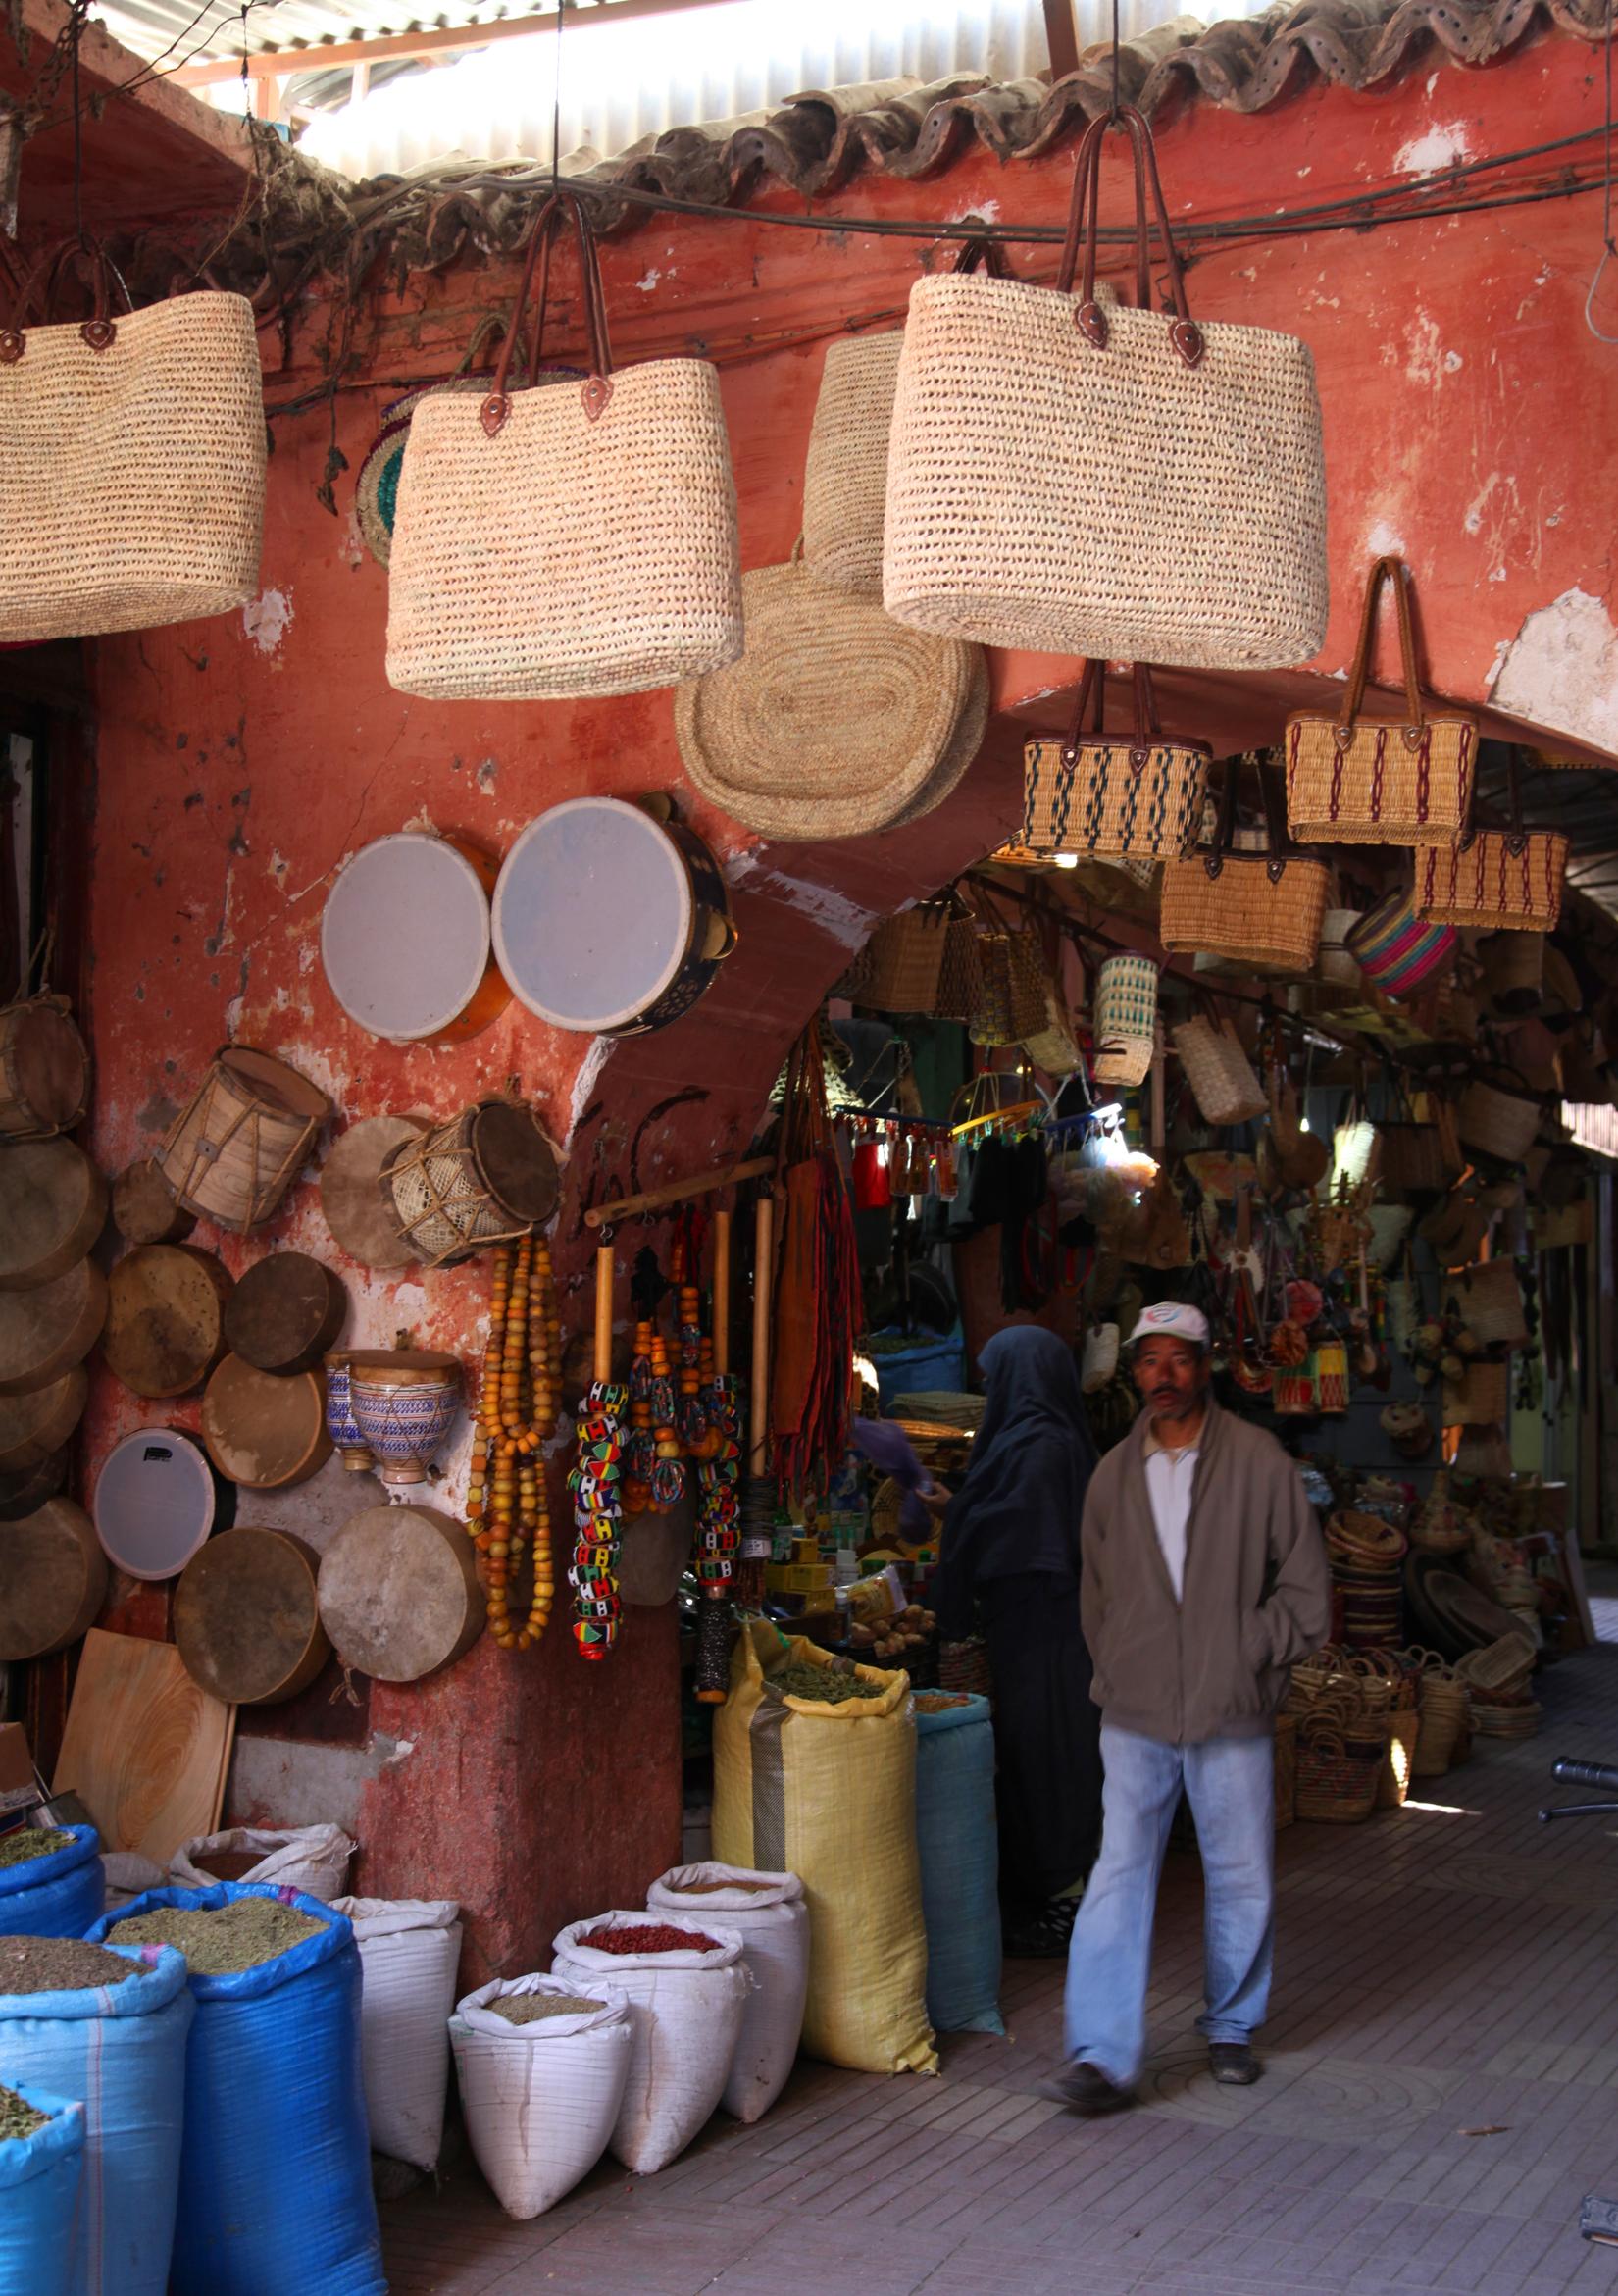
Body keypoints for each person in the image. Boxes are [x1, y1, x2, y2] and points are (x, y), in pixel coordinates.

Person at [1050, 1300, 1330, 2113]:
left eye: (1179, 1359)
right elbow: (1094, 1595)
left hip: (1229, 1707)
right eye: (1149, 1360)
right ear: (1135, 1369)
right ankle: (1101, 2054)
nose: (1163, 1376)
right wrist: (1121, 1662)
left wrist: (1248, 1650)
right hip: (1134, 1711)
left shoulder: (1260, 1464)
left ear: (1205, 1366)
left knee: (1241, 1871)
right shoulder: (1112, 1474)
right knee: (1118, 1873)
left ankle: (1233, 2026)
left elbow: (1309, 1594)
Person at [932, 1324, 1103, 1958]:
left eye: (995, 1378)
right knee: (1041, 1760)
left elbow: (1015, 1531)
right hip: (1040, 1632)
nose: (988, 1390)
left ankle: (1064, 1901)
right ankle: (1053, 1892)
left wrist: (960, 1515)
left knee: (1050, 1759)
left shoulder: (1041, 1448)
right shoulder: (1039, 1441)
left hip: (1047, 1635)